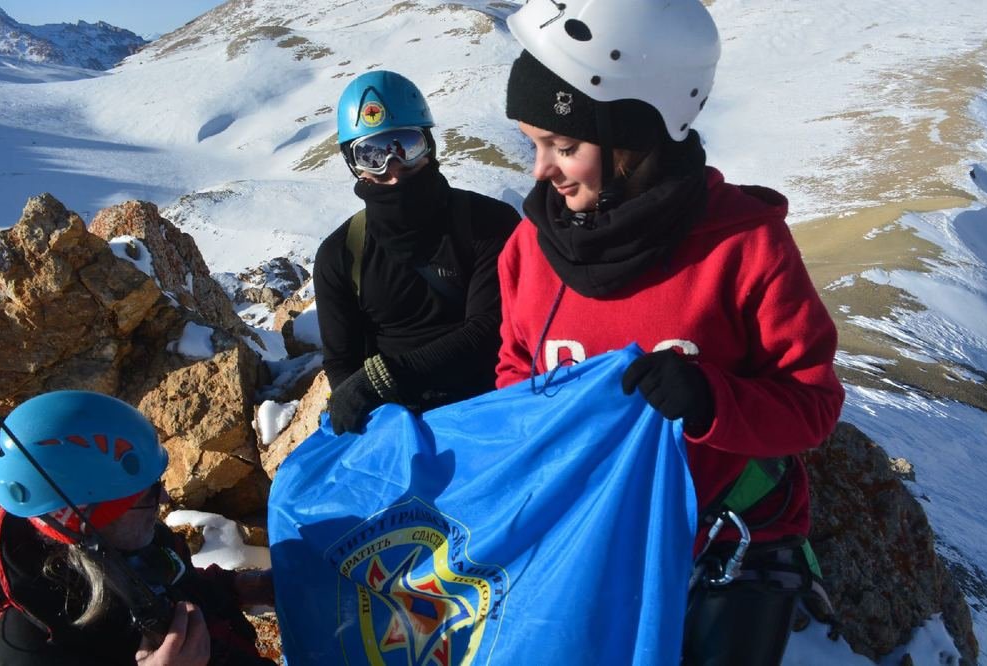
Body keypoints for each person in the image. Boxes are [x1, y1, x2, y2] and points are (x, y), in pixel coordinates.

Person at [498, 1, 845, 663]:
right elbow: (518, 376)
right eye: (533, 142)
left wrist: (712, 401)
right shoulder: (529, 250)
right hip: (588, 537)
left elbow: (813, 405)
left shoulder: (742, 244)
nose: (541, 170)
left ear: (631, 136)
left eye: (564, 146)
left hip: (726, 546)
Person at [0, 390, 275, 666]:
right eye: (147, 493)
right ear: (87, 518)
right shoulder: (30, 646)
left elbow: (180, 583)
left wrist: (244, 587)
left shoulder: (134, 539)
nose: (165, 499)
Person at [315, 70, 520, 435]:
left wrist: (381, 379)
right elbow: (342, 360)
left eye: (406, 146)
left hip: (489, 410)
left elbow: (490, 328)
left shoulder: (489, 223)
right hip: (396, 420)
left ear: (429, 145)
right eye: (372, 153)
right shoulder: (340, 254)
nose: (394, 169)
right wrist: (373, 417)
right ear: (353, 164)